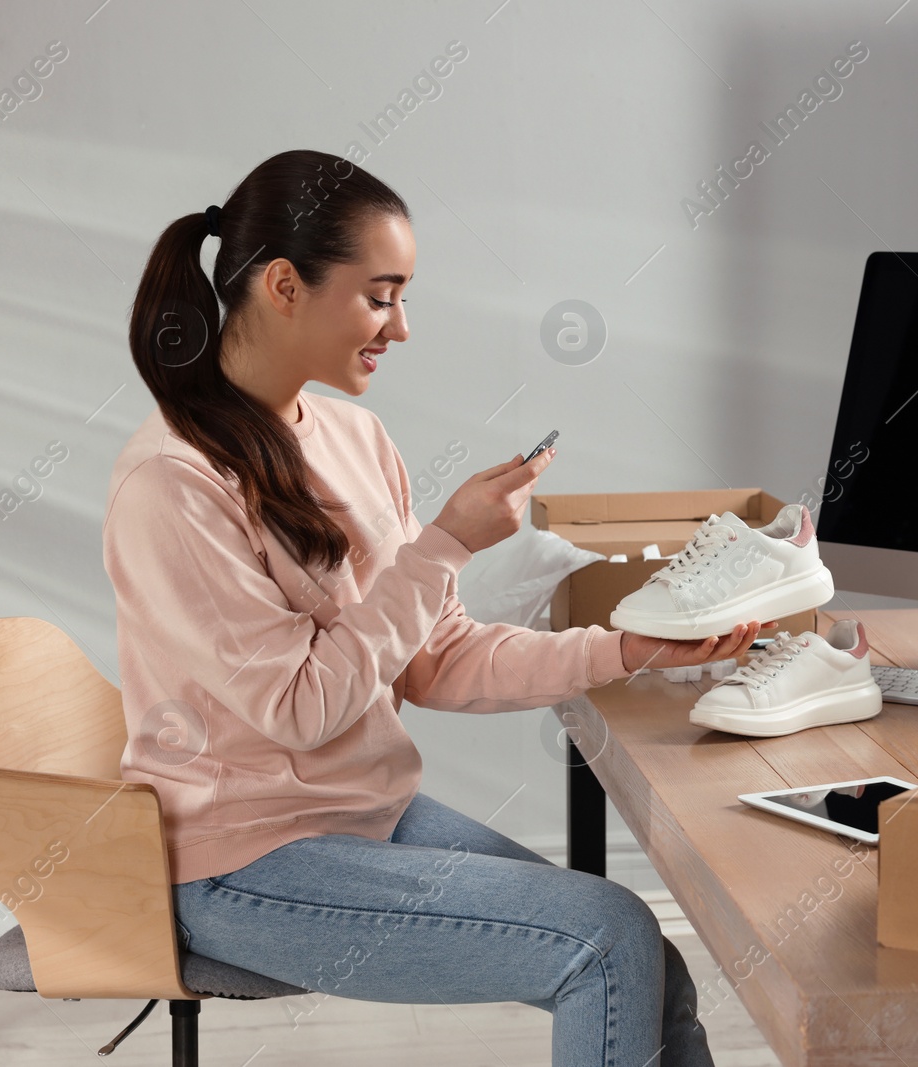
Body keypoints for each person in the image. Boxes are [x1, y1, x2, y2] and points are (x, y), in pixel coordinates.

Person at [106, 148, 767, 1067]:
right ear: (286, 286)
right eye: (381, 295)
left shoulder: (352, 434)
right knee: (607, 939)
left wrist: (631, 649)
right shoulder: (173, 486)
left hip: (364, 816)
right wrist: (444, 544)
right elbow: (300, 709)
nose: (401, 327)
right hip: (243, 863)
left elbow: (435, 658)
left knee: (652, 961)